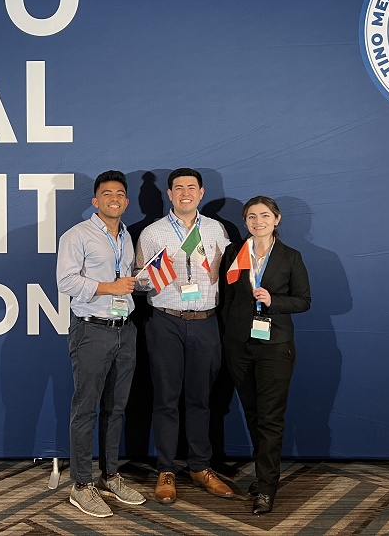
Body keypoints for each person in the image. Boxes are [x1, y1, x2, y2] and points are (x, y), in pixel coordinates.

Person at [134, 168, 235, 503]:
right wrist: (154, 277)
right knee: (165, 399)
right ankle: (165, 468)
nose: (185, 193)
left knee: (201, 399)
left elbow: (229, 272)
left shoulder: (216, 230)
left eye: (191, 187)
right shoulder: (153, 233)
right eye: (179, 188)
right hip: (166, 322)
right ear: (169, 193)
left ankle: (199, 466)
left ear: (201, 193)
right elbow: (140, 280)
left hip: (206, 322)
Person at [57, 170, 146, 518]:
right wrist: (111, 288)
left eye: (120, 193)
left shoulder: (127, 235)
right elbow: (65, 281)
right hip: (91, 329)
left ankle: (110, 476)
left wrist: (143, 281)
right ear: (96, 201)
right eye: (106, 193)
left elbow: (129, 281)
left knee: (117, 407)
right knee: (86, 409)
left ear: (126, 201)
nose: (114, 198)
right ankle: (81, 485)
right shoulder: (77, 235)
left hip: (126, 330)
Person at [219, 196, 311, 515]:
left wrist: (274, 300)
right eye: (252, 216)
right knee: (253, 414)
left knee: (270, 417)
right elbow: (227, 297)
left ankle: (267, 487)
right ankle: (263, 475)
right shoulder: (235, 253)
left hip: (275, 346)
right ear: (245, 221)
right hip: (239, 346)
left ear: (277, 219)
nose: (258, 221)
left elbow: (303, 301)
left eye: (265, 216)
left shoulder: (290, 257)